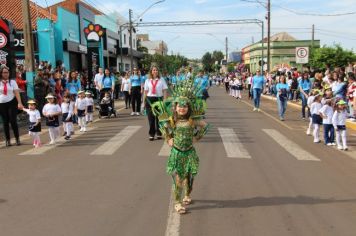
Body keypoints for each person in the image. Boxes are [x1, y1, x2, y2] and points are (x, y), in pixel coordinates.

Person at [150, 78, 209, 214]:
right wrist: (168, 138)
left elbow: (206, 126)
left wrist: (197, 137)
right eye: (179, 106)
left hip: (190, 152)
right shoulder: (173, 120)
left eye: (185, 106)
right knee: (179, 177)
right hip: (177, 153)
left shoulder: (192, 120)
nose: (182, 108)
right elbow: (162, 126)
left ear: (189, 108)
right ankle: (177, 202)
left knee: (190, 176)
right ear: (175, 107)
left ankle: (187, 194)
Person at [0, 66, 24, 146]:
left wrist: (19, 103)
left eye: (7, 72)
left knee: (13, 121)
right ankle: (8, 140)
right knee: (5, 122)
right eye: (4, 72)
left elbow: (16, 92)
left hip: (12, 103)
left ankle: (17, 139)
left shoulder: (12, 82)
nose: (6, 74)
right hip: (2, 104)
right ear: (1, 73)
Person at [143, 66, 168, 141]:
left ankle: (159, 133)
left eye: (156, 70)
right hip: (149, 100)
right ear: (151, 71)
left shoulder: (161, 79)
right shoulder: (147, 80)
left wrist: (164, 101)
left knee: (159, 118)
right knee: (151, 118)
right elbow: (145, 92)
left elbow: (165, 90)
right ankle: (151, 134)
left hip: (159, 99)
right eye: (154, 70)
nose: (155, 71)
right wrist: (143, 102)